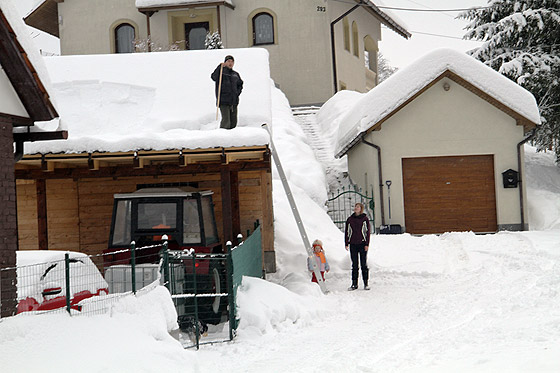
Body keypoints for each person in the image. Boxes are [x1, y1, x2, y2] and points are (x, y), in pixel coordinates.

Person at [210, 55, 243, 129]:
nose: (230, 63)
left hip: (233, 101)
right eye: (228, 61)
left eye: (232, 61)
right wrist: (219, 67)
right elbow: (213, 77)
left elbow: (240, 84)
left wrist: (237, 93)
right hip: (223, 101)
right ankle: (222, 137)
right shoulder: (221, 72)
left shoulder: (235, 74)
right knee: (226, 121)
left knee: (233, 122)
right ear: (225, 63)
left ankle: (231, 138)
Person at [345, 203, 371, 290]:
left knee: (364, 264)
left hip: (362, 244)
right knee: (354, 265)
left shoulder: (364, 219)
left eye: (358, 207)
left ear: (361, 209)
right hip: (353, 244)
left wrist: (367, 244)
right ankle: (354, 284)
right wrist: (346, 242)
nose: (356, 208)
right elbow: (347, 231)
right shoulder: (350, 219)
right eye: (355, 207)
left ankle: (366, 283)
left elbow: (367, 232)